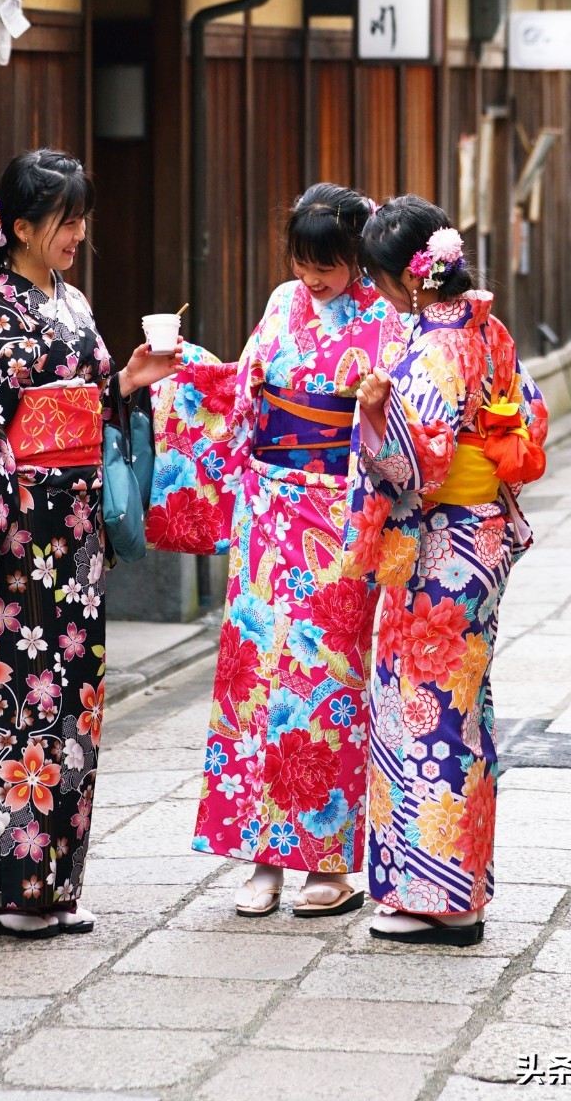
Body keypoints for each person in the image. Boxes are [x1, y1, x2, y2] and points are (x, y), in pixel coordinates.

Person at [0, 148, 173, 940]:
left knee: (76, 701)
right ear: (21, 226)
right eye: (64, 219)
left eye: (80, 217)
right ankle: (12, 885)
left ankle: (54, 882)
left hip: (78, 538)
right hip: (20, 535)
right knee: (19, 700)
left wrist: (126, 381)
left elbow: (89, 396)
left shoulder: (73, 302)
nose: (78, 232)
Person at [152, 186, 404, 918]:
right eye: (302, 260)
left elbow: (399, 419)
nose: (313, 277)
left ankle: (327, 861)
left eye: (327, 263)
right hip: (270, 508)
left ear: (357, 256)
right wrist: (183, 370)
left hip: (342, 510)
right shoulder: (280, 304)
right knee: (256, 675)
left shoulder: (385, 319)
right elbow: (241, 392)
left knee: (324, 681)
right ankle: (260, 855)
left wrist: (374, 411)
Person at [347, 194, 548, 947]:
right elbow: (531, 411)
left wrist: (371, 420)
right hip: (482, 538)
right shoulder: (487, 329)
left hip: (438, 548)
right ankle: (454, 887)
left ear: (407, 280)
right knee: (461, 708)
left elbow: (409, 470)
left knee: (427, 710)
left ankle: (442, 898)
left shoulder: (431, 349)